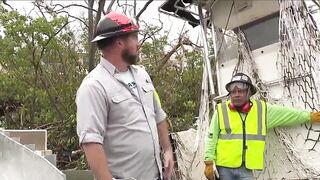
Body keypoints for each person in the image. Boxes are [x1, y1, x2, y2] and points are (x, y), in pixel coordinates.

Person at [76, 12, 174, 180]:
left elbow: (158, 115)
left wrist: (167, 150)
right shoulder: (94, 86)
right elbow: (91, 141)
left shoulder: (142, 75)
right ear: (120, 42)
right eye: (134, 37)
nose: (138, 44)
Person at [204, 72, 320, 180]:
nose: (236, 95)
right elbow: (211, 137)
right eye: (233, 92)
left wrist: (309, 117)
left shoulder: (262, 110)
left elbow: (287, 114)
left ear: (249, 92)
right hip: (224, 168)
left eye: (241, 91)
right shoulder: (221, 110)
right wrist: (208, 162)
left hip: (247, 169)